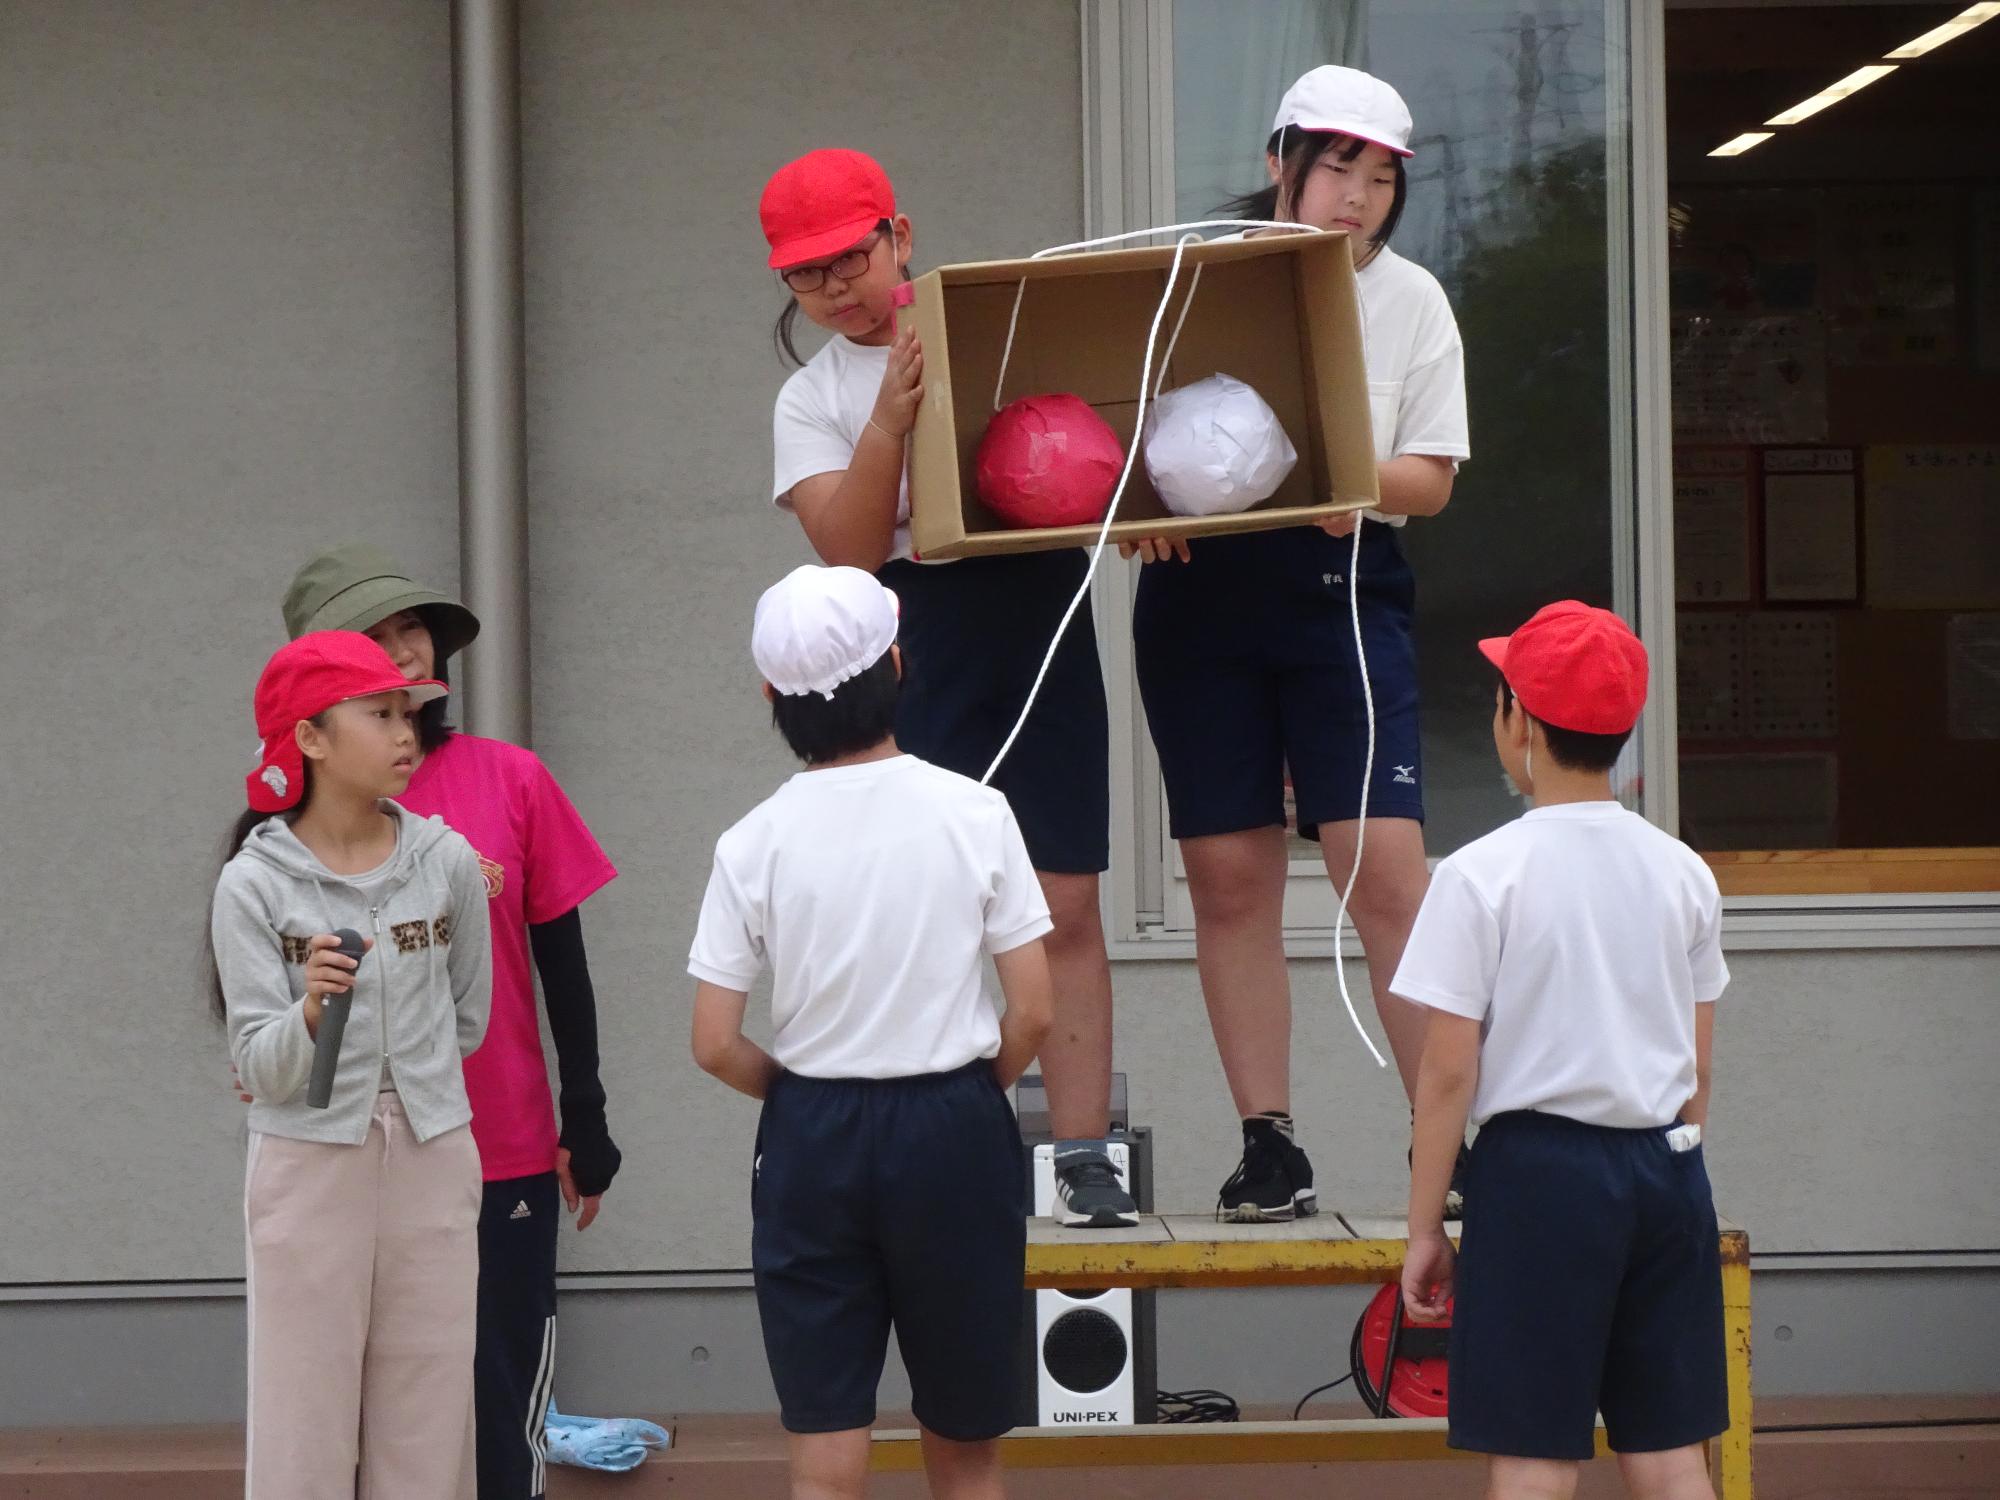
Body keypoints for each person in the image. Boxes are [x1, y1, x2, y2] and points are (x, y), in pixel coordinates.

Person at [760, 147, 1134, 1228]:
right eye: (806, 274)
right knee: (927, 894)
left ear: (900, 237)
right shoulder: (811, 395)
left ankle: (1080, 1153)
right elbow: (843, 549)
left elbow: (1091, 437)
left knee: (1063, 891)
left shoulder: (990, 320)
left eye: (851, 257)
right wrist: (888, 419)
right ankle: (954, 1133)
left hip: (1034, 599)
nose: (836, 287)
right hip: (909, 624)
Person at [1125, 66, 1471, 1220]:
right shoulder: (1189, 273)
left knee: (1387, 876)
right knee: (1227, 879)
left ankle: (1451, 1145)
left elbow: (1428, 478)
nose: (1357, 196)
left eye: (1380, 178)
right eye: (1337, 166)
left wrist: (1348, 479)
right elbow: (1107, 442)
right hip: (1200, 604)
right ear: (1280, 161)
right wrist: (1143, 511)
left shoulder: (1413, 298)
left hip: (1345, 593)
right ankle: (1266, 1143)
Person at [690, 564, 1054, 1500]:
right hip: (952, 1123)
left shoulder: (751, 840)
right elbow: (1036, 1009)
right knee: (966, 1434)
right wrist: (977, 1084)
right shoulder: (977, 812)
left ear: (772, 696)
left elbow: (714, 1039)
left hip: (811, 1130)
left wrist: (798, 1091)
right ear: (897, 663)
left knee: (825, 1434)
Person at [281, 544, 621, 1498]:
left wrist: (582, 1116)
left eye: (412, 631)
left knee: (495, 1385)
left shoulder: (509, 779)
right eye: (375, 640)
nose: (405, 653)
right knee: (356, 1397)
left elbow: (562, 961)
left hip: (498, 1137)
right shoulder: (293, 818)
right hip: (347, 1143)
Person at [1397, 602, 1729, 1500]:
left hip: (1540, 1176)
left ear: (1523, 725)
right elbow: (1698, 1069)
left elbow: (1448, 1071)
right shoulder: (1683, 870)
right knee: (1668, 1449)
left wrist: (1426, 1226)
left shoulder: (1479, 874)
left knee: (1537, 1446)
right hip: (1667, 1168)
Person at [208, 630, 493, 1499]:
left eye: (409, 713)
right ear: (311, 738)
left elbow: (468, 1018)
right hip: (308, 1158)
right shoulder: (253, 886)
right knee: (304, 1416)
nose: (406, 732)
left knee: (431, 1404)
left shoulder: (446, 861)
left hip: (436, 1150)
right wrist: (311, 1012)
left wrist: (413, 1085)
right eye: (380, 714)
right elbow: (260, 1060)